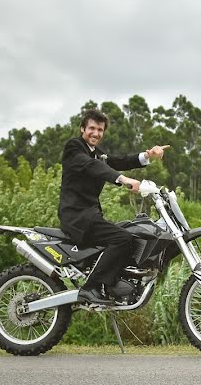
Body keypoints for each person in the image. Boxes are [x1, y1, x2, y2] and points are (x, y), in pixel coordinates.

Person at [59, 108, 169, 305]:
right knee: (123, 238)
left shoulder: (97, 153)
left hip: (90, 217)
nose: (96, 133)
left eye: (100, 130)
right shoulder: (74, 148)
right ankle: (90, 288)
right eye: (92, 128)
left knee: (130, 234)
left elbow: (119, 160)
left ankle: (112, 285)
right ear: (82, 128)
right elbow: (95, 167)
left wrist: (147, 155)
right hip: (77, 217)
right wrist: (123, 180)